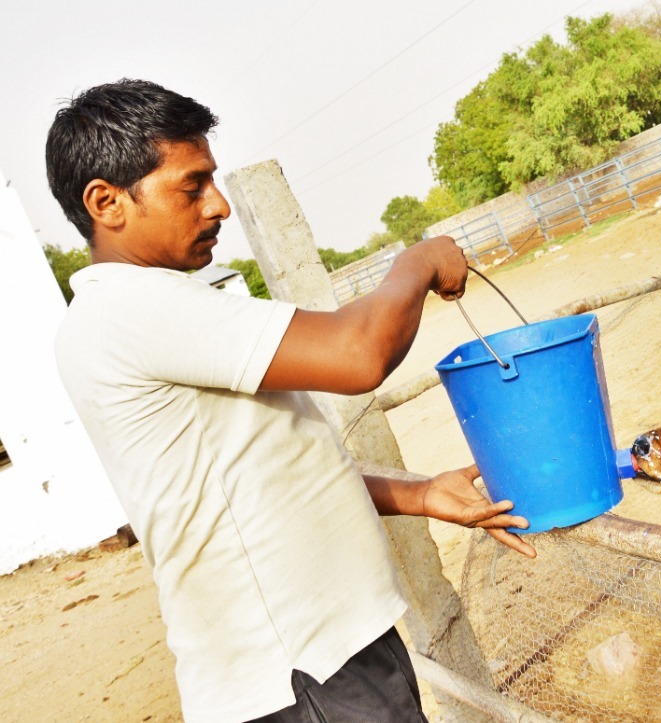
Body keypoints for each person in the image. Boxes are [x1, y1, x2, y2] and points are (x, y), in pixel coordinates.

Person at [46, 78, 535, 723]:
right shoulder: (133, 309)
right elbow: (358, 354)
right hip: (305, 676)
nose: (217, 205)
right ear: (107, 203)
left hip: (324, 658)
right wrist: (417, 261)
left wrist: (419, 495)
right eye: (192, 186)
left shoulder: (144, 310)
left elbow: (267, 480)